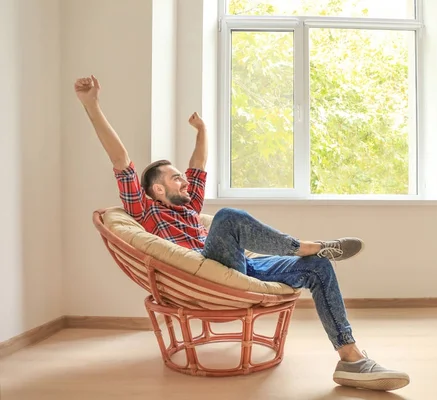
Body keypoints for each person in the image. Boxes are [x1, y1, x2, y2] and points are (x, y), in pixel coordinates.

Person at [74, 75, 410, 391]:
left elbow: (198, 165)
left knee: (320, 267)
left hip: (240, 267)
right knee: (229, 217)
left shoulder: (188, 208)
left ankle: (351, 360)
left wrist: (202, 130)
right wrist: (92, 105)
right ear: (157, 190)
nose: (185, 180)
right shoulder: (146, 212)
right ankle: (304, 245)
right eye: (176, 178)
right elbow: (121, 161)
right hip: (205, 271)